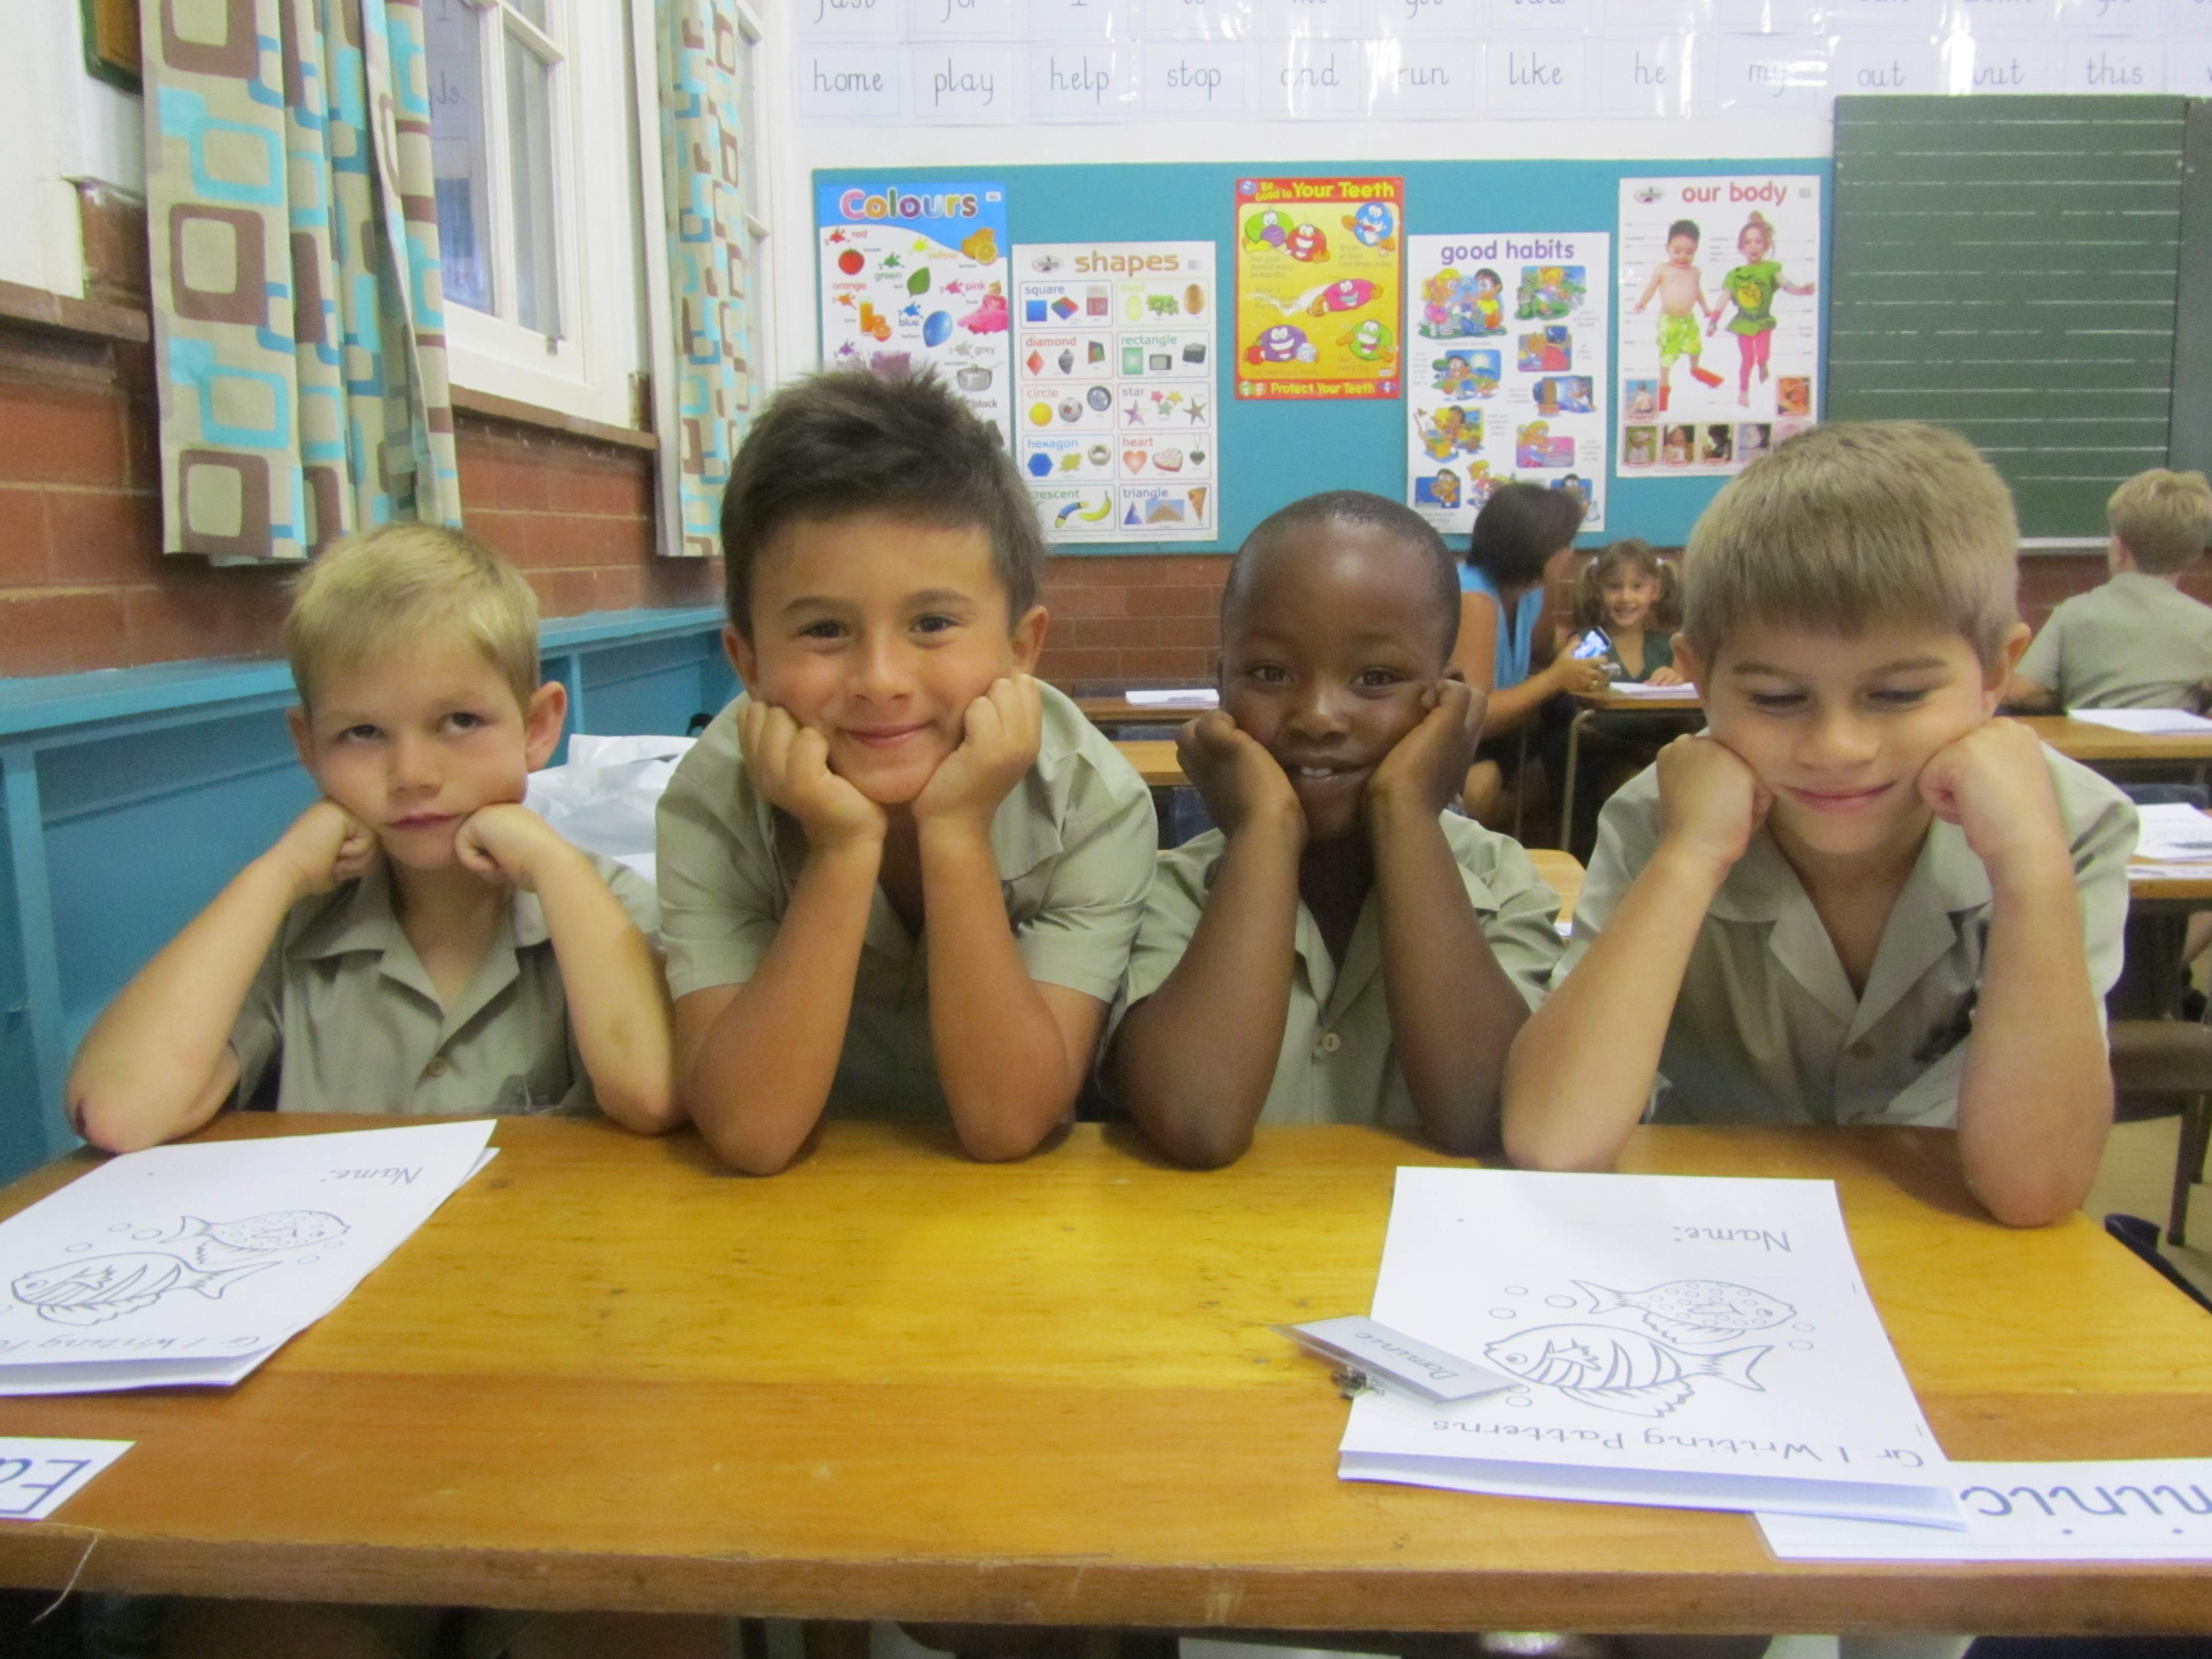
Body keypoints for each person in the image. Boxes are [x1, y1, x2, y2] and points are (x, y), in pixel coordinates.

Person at [66, 524, 711, 1659]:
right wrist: (276, 873)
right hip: (323, 1411)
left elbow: (651, 1090)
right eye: (362, 734)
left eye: (460, 722)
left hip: (568, 1391)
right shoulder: (296, 933)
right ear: (307, 746)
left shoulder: (602, 908)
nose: (412, 774)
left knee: (627, 1625)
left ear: (540, 726)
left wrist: (550, 861)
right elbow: (121, 1108)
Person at [1504, 421, 2136, 1231]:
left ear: (1997, 673)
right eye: (1777, 698)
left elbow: (2035, 1187)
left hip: (1952, 1248)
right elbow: (1555, 1139)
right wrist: (1690, 858)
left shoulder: (2069, 827)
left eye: (1899, 695)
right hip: (1708, 1243)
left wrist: (2028, 866)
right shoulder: (1660, 819)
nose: (1838, 748)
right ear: (1698, 677)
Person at [658, 368, 1156, 1176]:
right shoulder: (713, 798)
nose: (881, 679)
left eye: (932, 623)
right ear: (747, 662)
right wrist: (842, 849)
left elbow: (1007, 1124)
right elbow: (750, 1131)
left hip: (1016, 1217)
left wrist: (955, 832)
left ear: (1021, 648)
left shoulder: (1092, 802)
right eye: (824, 630)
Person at [1109, 491, 1561, 1165]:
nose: (1319, 716)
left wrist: (1405, 811)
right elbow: (1200, 1120)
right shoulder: (1164, 891)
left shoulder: (1503, 883)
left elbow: (1482, 1115)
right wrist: (1265, 829)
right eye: (1270, 673)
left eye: (1376, 677)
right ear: (1223, 685)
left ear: (1447, 702)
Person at [1453, 483, 1608, 824]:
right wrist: (1556, 678)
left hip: (1510, 731)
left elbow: (1542, 651)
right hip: (1465, 740)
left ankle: (1572, 841)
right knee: (1481, 787)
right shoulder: (1474, 600)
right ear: (1535, 549)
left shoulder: (1530, 588)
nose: (1571, 555)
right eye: (1565, 545)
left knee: (1587, 745)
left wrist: (1573, 652)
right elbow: (1475, 717)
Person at [2007, 467, 2212, 712]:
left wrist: (2065, 700)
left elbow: (2022, 692)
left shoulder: (2073, 613)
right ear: (2191, 557)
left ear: (2120, 551)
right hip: (2182, 738)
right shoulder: (2206, 624)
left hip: (2090, 737)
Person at [1708, 209, 1815, 410]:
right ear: (1741, 247)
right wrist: (1714, 321)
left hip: (1763, 321)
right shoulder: (1735, 274)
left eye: (1758, 242)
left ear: (1765, 245)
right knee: (1747, 359)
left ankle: (1763, 365)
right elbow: (1724, 298)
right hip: (1744, 323)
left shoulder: (1770, 269)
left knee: (1763, 354)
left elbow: (1787, 285)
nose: (1753, 246)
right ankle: (1744, 391)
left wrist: (1802, 291)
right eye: (1748, 242)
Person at [1564, 537, 1685, 686]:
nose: (1626, 597)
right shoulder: (1583, 643)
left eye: (1637, 586)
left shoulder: (1671, 649)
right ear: (1598, 590)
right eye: (1614, 587)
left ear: (1655, 590)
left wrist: (1676, 679)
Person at [1633, 218, 1724, 410]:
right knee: (1668, 353)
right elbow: (1651, 288)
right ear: (1668, 248)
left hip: (1688, 320)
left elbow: (1697, 291)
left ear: (1696, 250)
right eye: (1677, 251)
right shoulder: (1663, 269)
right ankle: (1664, 385)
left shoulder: (1695, 272)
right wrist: (1643, 302)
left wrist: (1705, 308)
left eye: (1690, 252)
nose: (1683, 257)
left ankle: (1695, 369)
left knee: (1695, 346)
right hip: (1669, 321)